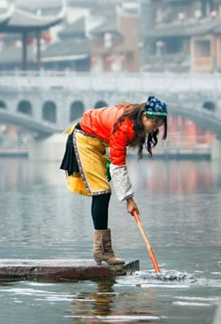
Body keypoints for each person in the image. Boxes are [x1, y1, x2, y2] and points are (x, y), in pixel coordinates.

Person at [59, 96, 168, 265]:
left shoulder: (133, 119)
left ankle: (104, 251)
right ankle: (102, 251)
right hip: (84, 139)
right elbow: (118, 166)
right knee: (102, 192)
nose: (153, 130)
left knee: (103, 192)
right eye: (153, 125)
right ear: (144, 117)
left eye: (158, 127)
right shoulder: (123, 127)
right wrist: (129, 199)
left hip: (98, 142)